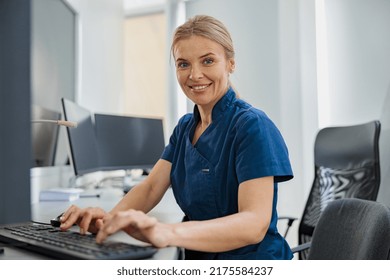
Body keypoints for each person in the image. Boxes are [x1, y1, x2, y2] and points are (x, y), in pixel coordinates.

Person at [60, 15, 294, 260]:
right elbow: (151, 188)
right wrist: (108, 220)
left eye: (208, 61)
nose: (195, 75)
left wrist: (167, 232)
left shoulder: (252, 126)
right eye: (183, 64)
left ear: (230, 64)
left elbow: (253, 224)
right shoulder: (185, 127)